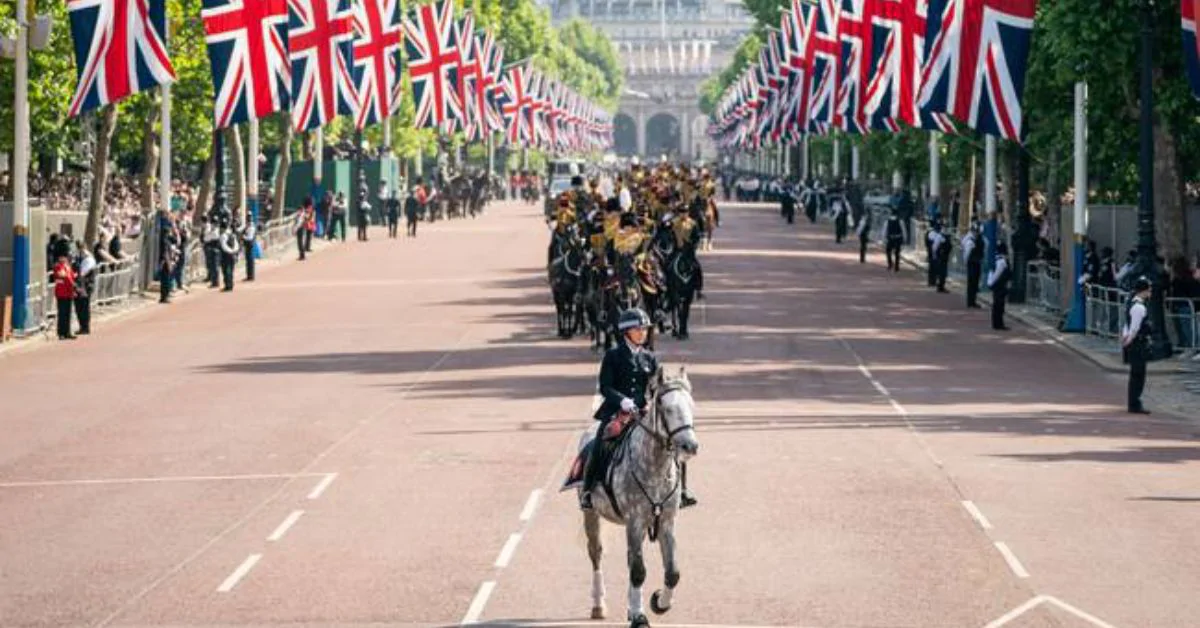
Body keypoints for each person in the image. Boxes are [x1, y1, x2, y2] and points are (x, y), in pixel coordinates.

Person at [579, 308, 698, 511]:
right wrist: (622, 400)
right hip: (617, 411)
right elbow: (605, 386)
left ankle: (683, 490)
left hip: (643, 412)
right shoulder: (613, 356)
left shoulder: (649, 358)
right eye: (638, 329)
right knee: (600, 442)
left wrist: (654, 400)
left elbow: (654, 386)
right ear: (626, 332)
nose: (643, 333)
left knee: (673, 442)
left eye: (644, 329)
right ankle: (588, 490)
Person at [1122, 276, 1154, 414]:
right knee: (1138, 375)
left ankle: (1134, 402)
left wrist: (1126, 338)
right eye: (1149, 289)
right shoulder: (1139, 307)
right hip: (1138, 343)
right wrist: (1129, 340)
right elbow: (1134, 327)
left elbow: (1127, 324)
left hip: (1135, 342)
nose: (1150, 292)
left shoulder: (1131, 303)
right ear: (1144, 290)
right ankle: (1135, 403)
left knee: (1136, 374)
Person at [987, 242, 1012, 330]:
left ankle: (997, 323)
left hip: (997, 285)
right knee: (999, 305)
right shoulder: (1001, 261)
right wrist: (991, 283)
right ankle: (998, 324)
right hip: (999, 285)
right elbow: (997, 274)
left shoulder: (996, 259)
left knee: (998, 304)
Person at [52, 254, 77, 340]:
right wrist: (73, 284)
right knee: (62, 313)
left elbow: (72, 276)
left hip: (68, 292)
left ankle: (67, 332)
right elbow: (65, 277)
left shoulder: (67, 266)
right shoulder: (58, 266)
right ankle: (61, 333)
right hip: (61, 293)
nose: (65, 258)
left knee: (68, 313)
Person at [73, 242, 96, 334]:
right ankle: (82, 326)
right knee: (78, 307)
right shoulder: (78, 259)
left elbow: (82, 273)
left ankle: (85, 327)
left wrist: (75, 274)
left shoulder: (88, 259)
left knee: (84, 307)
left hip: (86, 286)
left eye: (80, 249)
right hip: (79, 286)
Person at [962, 224, 983, 308]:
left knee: (975, 283)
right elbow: (966, 254)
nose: (976, 233)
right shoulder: (970, 241)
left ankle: (973, 301)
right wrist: (965, 263)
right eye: (975, 232)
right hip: (972, 264)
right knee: (971, 283)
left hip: (977, 263)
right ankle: (970, 301)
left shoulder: (978, 240)